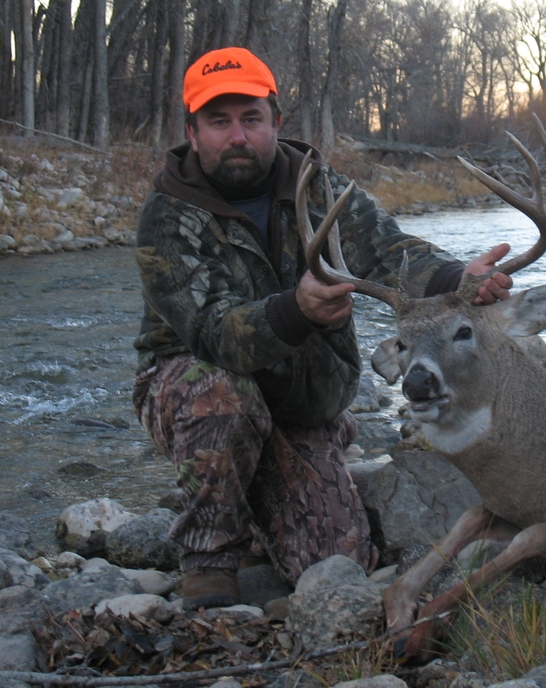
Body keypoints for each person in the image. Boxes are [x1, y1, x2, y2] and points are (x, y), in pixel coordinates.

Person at [133, 46, 512, 609]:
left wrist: (457, 277)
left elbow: (389, 252)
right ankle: (209, 556)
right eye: (219, 122)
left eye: (251, 119)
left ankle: (292, 462)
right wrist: (297, 311)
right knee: (225, 396)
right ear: (193, 132)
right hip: (198, 387)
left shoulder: (323, 189)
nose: (237, 136)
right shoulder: (166, 216)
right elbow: (214, 334)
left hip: (299, 396)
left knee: (338, 563)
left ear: (275, 123)